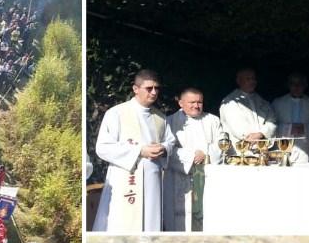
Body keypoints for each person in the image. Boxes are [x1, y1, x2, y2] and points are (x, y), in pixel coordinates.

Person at [92, 69, 175, 232]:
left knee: (150, 221)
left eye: (156, 88)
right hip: (126, 176)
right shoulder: (116, 113)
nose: (154, 92)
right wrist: (139, 151)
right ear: (135, 89)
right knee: (124, 222)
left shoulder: (160, 117)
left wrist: (163, 148)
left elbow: (171, 141)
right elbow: (103, 147)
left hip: (152, 179)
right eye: (149, 88)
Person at [165, 88, 226, 232]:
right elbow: (167, 149)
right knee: (180, 220)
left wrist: (205, 153)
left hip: (206, 175)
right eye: (192, 102)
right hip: (179, 178)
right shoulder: (170, 122)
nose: (196, 106)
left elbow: (222, 144)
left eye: (199, 102)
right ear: (181, 103)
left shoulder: (212, 120)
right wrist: (191, 156)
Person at [271, 72, 309, 165]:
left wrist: (306, 129)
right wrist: (288, 128)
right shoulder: (277, 103)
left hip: (303, 150)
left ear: (305, 85)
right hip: (281, 149)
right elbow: (271, 124)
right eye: (293, 83)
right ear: (288, 85)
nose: (296, 86)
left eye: (300, 83)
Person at [219, 68, 276, 144]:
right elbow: (237, 127)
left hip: (263, 147)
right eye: (248, 79)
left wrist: (261, 133)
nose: (252, 81)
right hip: (241, 150)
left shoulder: (262, 101)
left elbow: (272, 120)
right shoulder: (230, 102)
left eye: (253, 79)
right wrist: (255, 136)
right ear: (239, 81)